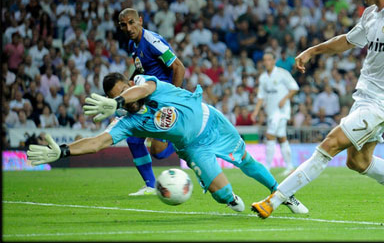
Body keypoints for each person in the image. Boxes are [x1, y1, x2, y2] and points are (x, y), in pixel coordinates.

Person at [251, 0, 384, 222]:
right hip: (365, 97)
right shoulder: (371, 14)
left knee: (330, 144)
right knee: (357, 161)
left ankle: (275, 199)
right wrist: (313, 50)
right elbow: (347, 41)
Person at [27, 72, 308, 215]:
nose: (125, 96)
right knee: (223, 195)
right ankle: (231, 199)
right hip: (193, 148)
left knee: (246, 161)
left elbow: (142, 89)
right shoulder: (128, 121)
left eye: (124, 90)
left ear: (128, 84)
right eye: (118, 96)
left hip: (211, 122)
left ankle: (283, 194)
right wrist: (63, 151)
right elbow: (99, 142)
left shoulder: (147, 84)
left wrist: (118, 100)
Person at [117, 7, 186, 196]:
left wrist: (174, 99)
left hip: (164, 99)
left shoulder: (152, 41)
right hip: (150, 98)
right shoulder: (133, 45)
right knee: (133, 139)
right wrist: (127, 86)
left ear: (140, 20)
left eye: (132, 22)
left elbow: (179, 67)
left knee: (158, 151)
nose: (129, 27)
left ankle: (181, 141)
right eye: (124, 25)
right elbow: (141, 70)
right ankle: (150, 185)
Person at [251, 51, 299, 176]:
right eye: (264, 60)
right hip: (271, 112)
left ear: (273, 61)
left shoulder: (282, 73)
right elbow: (261, 97)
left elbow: (294, 87)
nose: (266, 62)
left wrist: (285, 98)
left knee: (269, 135)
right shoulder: (263, 78)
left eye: (268, 59)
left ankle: (267, 166)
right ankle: (290, 166)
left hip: (281, 112)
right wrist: (255, 112)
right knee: (282, 137)